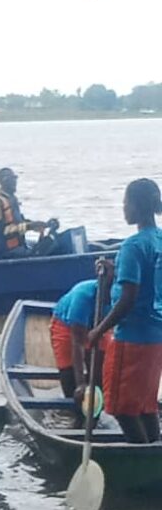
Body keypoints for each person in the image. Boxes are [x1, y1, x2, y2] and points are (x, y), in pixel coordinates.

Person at [88, 178, 162, 444]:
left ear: (137, 206)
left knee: (121, 408)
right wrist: (112, 274)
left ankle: (142, 456)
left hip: (132, 338)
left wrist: (99, 329)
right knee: (145, 405)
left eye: (126, 202)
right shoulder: (158, 240)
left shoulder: (133, 246)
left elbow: (129, 298)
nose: (123, 208)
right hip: (155, 337)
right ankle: (154, 451)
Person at [50, 259, 115, 400]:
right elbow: (77, 342)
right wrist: (80, 384)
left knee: (101, 375)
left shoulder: (124, 296)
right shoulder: (83, 296)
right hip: (66, 327)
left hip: (99, 326)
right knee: (70, 380)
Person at [0, 167, 55, 260]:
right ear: (4, 181)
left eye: (15, 179)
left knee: (47, 243)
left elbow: (19, 221)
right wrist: (30, 226)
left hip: (16, 247)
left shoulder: (10, 198)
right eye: (11, 180)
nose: (14, 183)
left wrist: (41, 225)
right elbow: (3, 231)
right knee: (45, 248)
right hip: (4, 252)